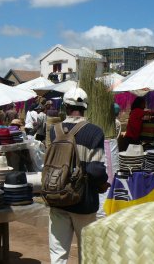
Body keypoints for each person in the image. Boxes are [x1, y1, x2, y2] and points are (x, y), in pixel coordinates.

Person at [48, 87, 109, 264]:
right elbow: (95, 170)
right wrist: (103, 183)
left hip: (57, 196)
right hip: (83, 201)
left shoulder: (55, 130)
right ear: (85, 107)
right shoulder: (94, 132)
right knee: (86, 250)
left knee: (58, 251)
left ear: (66, 107)